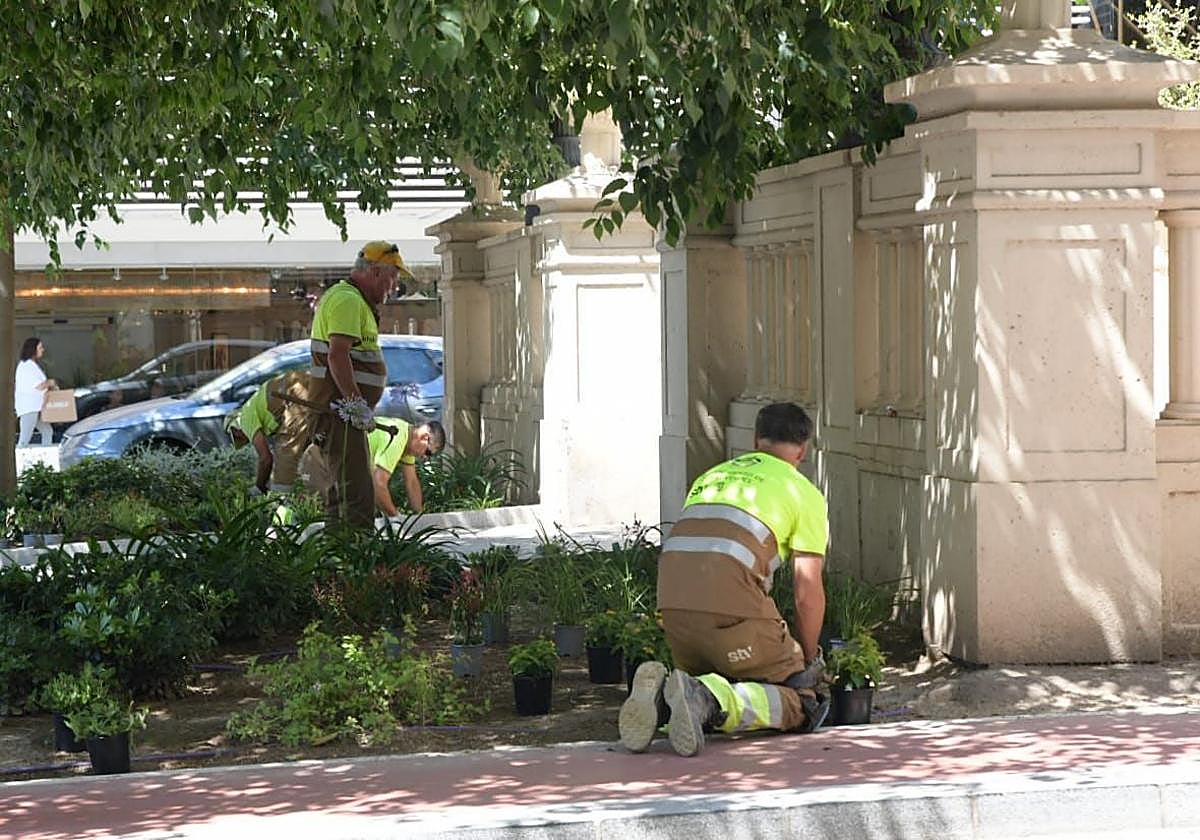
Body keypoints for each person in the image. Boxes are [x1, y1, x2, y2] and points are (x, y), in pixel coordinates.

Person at [619, 402, 831, 757]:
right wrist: (808, 663)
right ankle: (709, 698)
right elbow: (807, 592)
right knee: (802, 701)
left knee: (722, 676)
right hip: (732, 614)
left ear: (755, 439)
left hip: (673, 611)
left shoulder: (711, 477)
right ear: (803, 449)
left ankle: (661, 701)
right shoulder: (801, 491)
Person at [308, 240, 414, 528]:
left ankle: (338, 560)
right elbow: (337, 355)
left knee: (344, 491)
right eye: (393, 277)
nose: (394, 286)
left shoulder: (351, 299)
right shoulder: (347, 300)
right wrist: (356, 405)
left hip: (341, 415)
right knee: (356, 495)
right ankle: (357, 563)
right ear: (376, 272)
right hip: (340, 415)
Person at [224, 370, 315, 495]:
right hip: (308, 385)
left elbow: (265, 459)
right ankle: (316, 493)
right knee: (315, 449)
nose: (244, 440)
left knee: (285, 453)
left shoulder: (244, 418)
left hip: (295, 394)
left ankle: (280, 503)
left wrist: (258, 487)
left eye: (237, 437)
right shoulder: (254, 407)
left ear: (235, 429)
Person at [368, 416, 446, 516]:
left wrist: (419, 516)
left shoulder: (407, 436)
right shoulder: (397, 438)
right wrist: (395, 517)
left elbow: (412, 482)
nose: (424, 457)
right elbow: (378, 483)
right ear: (424, 437)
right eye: (428, 452)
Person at [14, 337, 56, 446]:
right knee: (24, 439)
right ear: (33, 349)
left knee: (47, 431)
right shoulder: (27, 366)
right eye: (40, 347)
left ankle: (45, 459)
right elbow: (38, 386)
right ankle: (17, 461)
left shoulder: (28, 365)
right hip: (30, 408)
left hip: (34, 407)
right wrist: (50, 383)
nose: (43, 350)